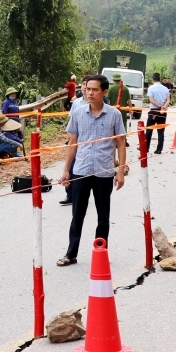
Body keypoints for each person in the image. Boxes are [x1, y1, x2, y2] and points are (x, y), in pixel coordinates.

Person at [57, 74, 126, 267]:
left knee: (103, 216)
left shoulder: (114, 115)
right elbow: (73, 142)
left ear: (104, 92)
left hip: (104, 172)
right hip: (81, 170)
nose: (90, 93)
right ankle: (71, 254)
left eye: (95, 90)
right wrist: (66, 170)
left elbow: (121, 143)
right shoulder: (78, 113)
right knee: (77, 214)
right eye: (88, 89)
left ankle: (100, 251)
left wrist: (120, 171)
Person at [60, 76, 90, 206]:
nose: (85, 88)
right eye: (84, 84)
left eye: (88, 86)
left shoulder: (96, 102)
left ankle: (85, 194)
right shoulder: (76, 103)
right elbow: (71, 120)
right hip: (75, 140)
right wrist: (69, 135)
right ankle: (70, 195)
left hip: (88, 142)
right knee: (71, 167)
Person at [145, 72, 171, 154]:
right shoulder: (166, 89)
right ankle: (159, 149)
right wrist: (164, 107)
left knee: (149, 130)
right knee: (161, 131)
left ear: (152, 79)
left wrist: (159, 106)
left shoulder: (151, 88)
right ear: (160, 79)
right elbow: (168, 100)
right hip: (163, 112)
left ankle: (146, 148)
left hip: (154, 111)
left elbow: (151, 100)